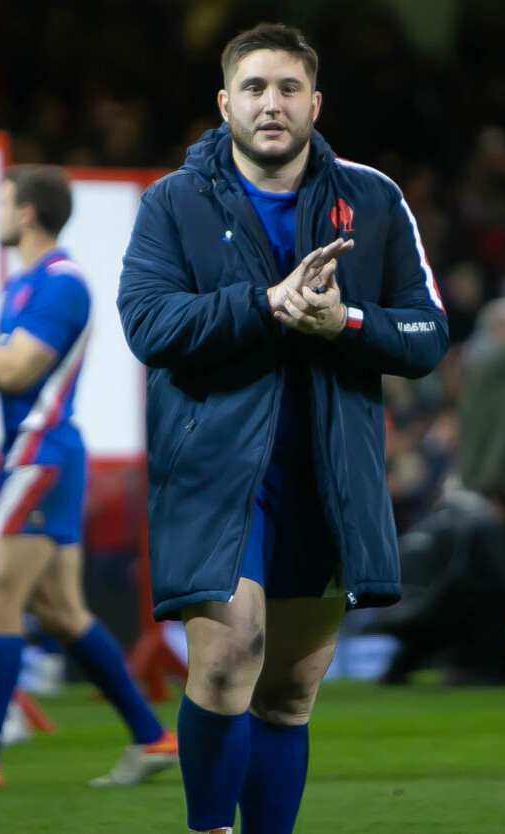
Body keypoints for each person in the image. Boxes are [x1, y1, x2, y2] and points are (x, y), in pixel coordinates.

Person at [117, 23, 449, 834]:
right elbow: (149, 325)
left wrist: (346, 321)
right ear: (226, 103)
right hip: (218, 474)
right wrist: (265, 305)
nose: (273, 104)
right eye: (257, 89)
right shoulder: (174, 202)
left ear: (316, 103)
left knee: (292, 691)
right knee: (229, 659)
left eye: (289, 88)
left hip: (331, 474)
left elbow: (428, 334)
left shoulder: (373, 198)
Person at [0, 164, 177, 790]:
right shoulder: (22, 285)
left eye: (2, 200)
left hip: (40, 456)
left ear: (27, 214)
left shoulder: (62, 284)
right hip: (37, 455)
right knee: (62, 611)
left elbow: (15, 372)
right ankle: (153, 738)